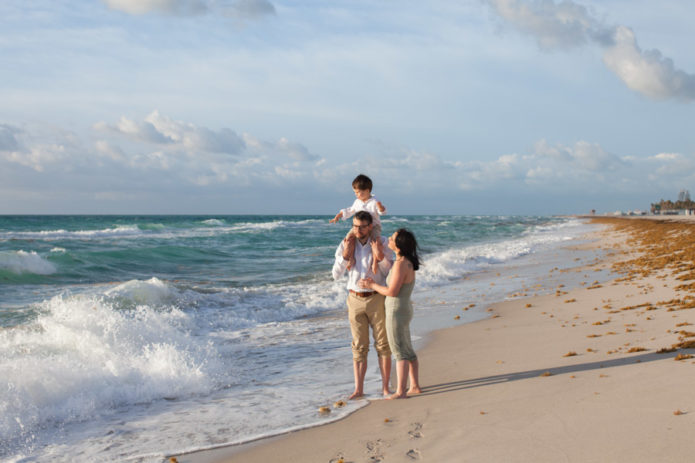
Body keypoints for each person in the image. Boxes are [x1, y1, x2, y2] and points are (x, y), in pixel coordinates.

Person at [332, 210, 394, 399]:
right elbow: (335, 275)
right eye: (355, 226)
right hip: (355, 298)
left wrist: (380, 255)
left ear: (370, 226)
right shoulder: (346, 243)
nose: (358, 230)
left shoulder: (381, 242)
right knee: (359, 346)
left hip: (377, 297)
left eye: (362, 226)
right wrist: (344, 256)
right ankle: (358, 389)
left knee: (383, 344)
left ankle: (385, 388)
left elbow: (389, 272)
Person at [359, 228, 422, 399]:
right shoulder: (405, 261)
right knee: (407, 349)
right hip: (403, 309)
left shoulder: (401, 264)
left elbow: (392, 291)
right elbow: (386, 268)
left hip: (396, 311)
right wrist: (376, 253)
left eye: (393, 238)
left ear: (400, 245)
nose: (390, 240)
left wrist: (371, 286)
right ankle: (414, 385)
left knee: (399, 350)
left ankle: (401, 391)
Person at [330, 174, 386, 274]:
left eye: (360, 192)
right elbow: (350, 210)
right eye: (355, 192)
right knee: (349, 238)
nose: (357, 195)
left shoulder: (374, 201)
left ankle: (375, 262)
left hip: (373, 226)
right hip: (358, 226)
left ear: (368, 190)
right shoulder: (357, 202)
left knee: (375, 242)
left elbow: (382, 212)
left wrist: (381, 208)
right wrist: (339, 215)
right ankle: (351, 258)